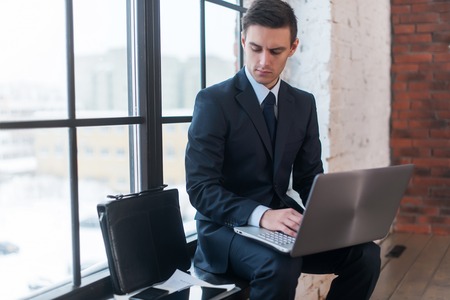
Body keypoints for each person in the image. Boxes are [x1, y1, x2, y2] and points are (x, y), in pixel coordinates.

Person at [185, 0, 381, 299]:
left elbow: (308, 177)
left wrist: (337, 216)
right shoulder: (213, 102)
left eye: (275, 51)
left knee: (365, 255)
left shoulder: (303, 104)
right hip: (224, 231)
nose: (263, 60)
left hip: (282, 226)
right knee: (280, 265)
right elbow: (200, 188)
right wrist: (261, 215)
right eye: (255, 48)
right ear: (242, 41)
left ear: (292, 47)